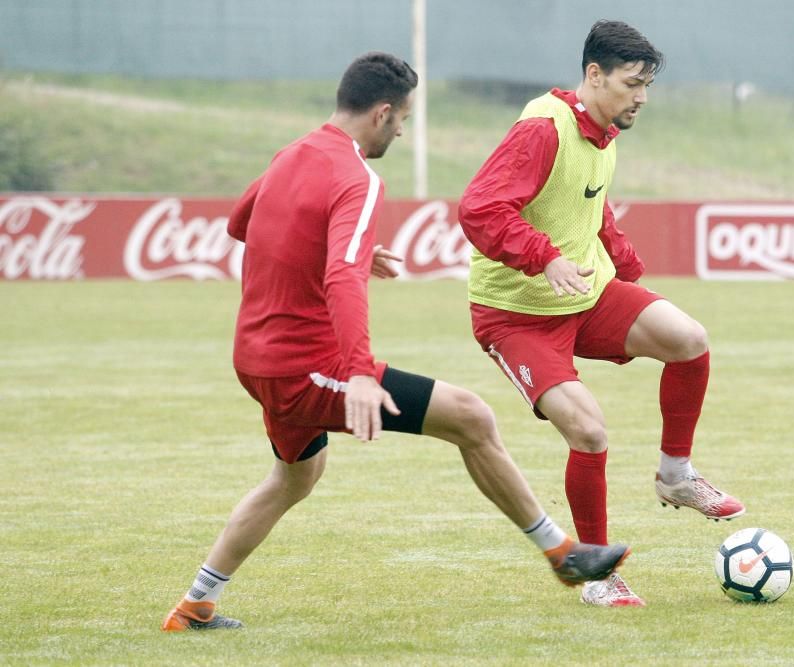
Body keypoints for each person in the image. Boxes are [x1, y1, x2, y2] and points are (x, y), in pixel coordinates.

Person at [161, 52, 630, 632]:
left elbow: (240, 223)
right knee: (472, 418)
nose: (404, 130)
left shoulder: (293, 153)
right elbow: (339, 280)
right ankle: (563, 555)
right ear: (383, 113)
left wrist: (348, 250)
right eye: (404, 118)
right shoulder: (358, 177)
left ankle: (195, 605)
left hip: (253, 357)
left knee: (293, 479)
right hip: (305, 364)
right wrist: (358, 371)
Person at [458, 21, 745, 608]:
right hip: (515, 316)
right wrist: (544, 258)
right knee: (588, 430)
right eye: (631, 83)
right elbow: (480, 208)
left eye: (648, 85)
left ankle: (675, 475)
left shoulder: (603, 133)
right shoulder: (543, 128)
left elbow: (587, 207)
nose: (641, 96)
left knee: (688, 337)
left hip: (586, 294)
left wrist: (625, 265)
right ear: (594, 76)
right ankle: (595, 573)